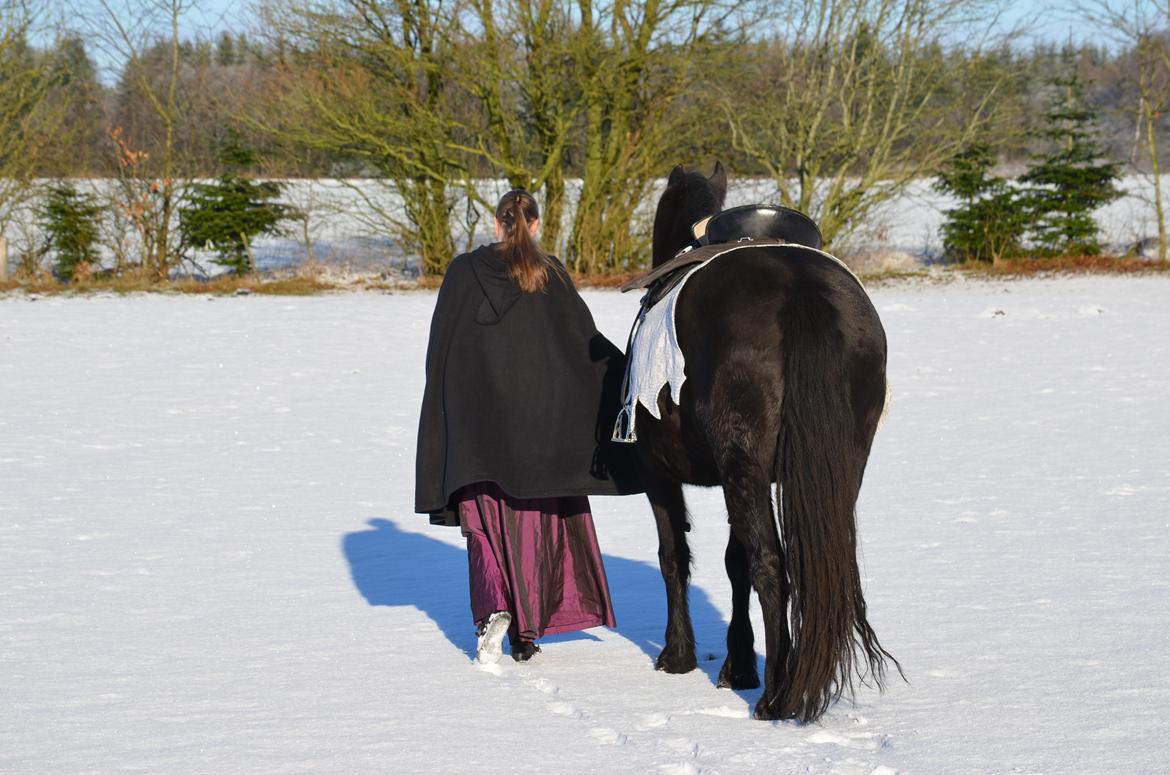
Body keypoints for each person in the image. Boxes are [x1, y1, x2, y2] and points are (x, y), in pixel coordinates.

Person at [414, 189, 642, 663]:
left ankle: (494, 610)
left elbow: (441, 353)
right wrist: (633, 375)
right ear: (535, 225)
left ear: (495, 224)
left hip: (478, 434)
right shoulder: (550, 274)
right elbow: (585, 348)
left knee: (484, 527)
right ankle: (528, 631)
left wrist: (443, 419)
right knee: (535, 528)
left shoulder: (461, 273)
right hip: (542, 439)